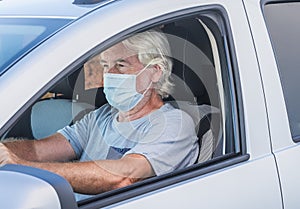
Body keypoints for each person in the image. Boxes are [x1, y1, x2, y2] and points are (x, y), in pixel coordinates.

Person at [0, 29, 199, 200]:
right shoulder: (101, 116)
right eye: (105, 66)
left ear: (155, 71)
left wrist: (21, 166)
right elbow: (40, 151)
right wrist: (4, 153)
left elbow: (124, 178)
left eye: (121, 65)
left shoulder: (174, 123)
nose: (109, 75)